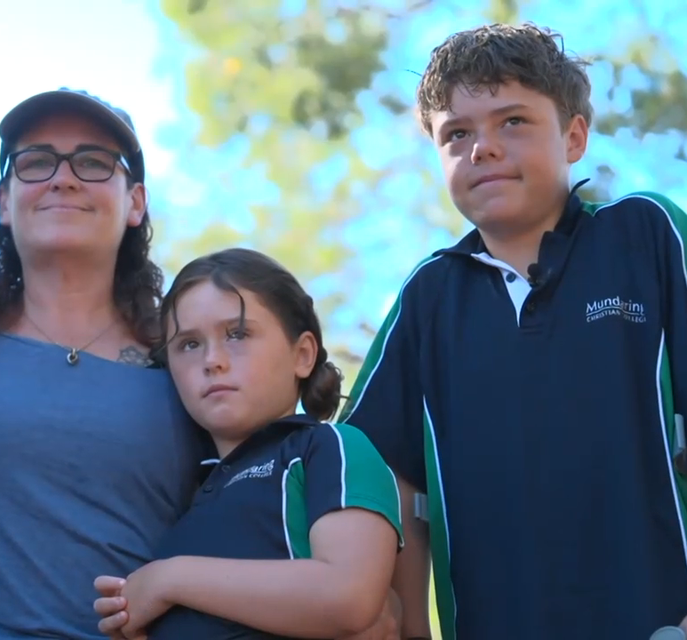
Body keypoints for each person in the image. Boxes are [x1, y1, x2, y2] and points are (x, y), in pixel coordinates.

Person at [336, 22, 687, 640]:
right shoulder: (429, 297)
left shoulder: (646, 236)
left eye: (513, 122)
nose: (483, 148)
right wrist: (413, 627)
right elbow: (382, 476)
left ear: (574, 136)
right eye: (457, 134)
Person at [0, 89, 205, 639]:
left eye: (92, 162)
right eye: (36, 162)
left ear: (135, 203)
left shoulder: (186, 358)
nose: (63, 179)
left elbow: (261, 511)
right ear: (4, 202)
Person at [93, 248, 403, 639]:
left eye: (237, 334)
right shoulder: (187, 494)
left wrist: (169, 578)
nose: (212, 360)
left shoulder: (330, 447)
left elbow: (349, 597)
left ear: (303, 355)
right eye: (188, 344)